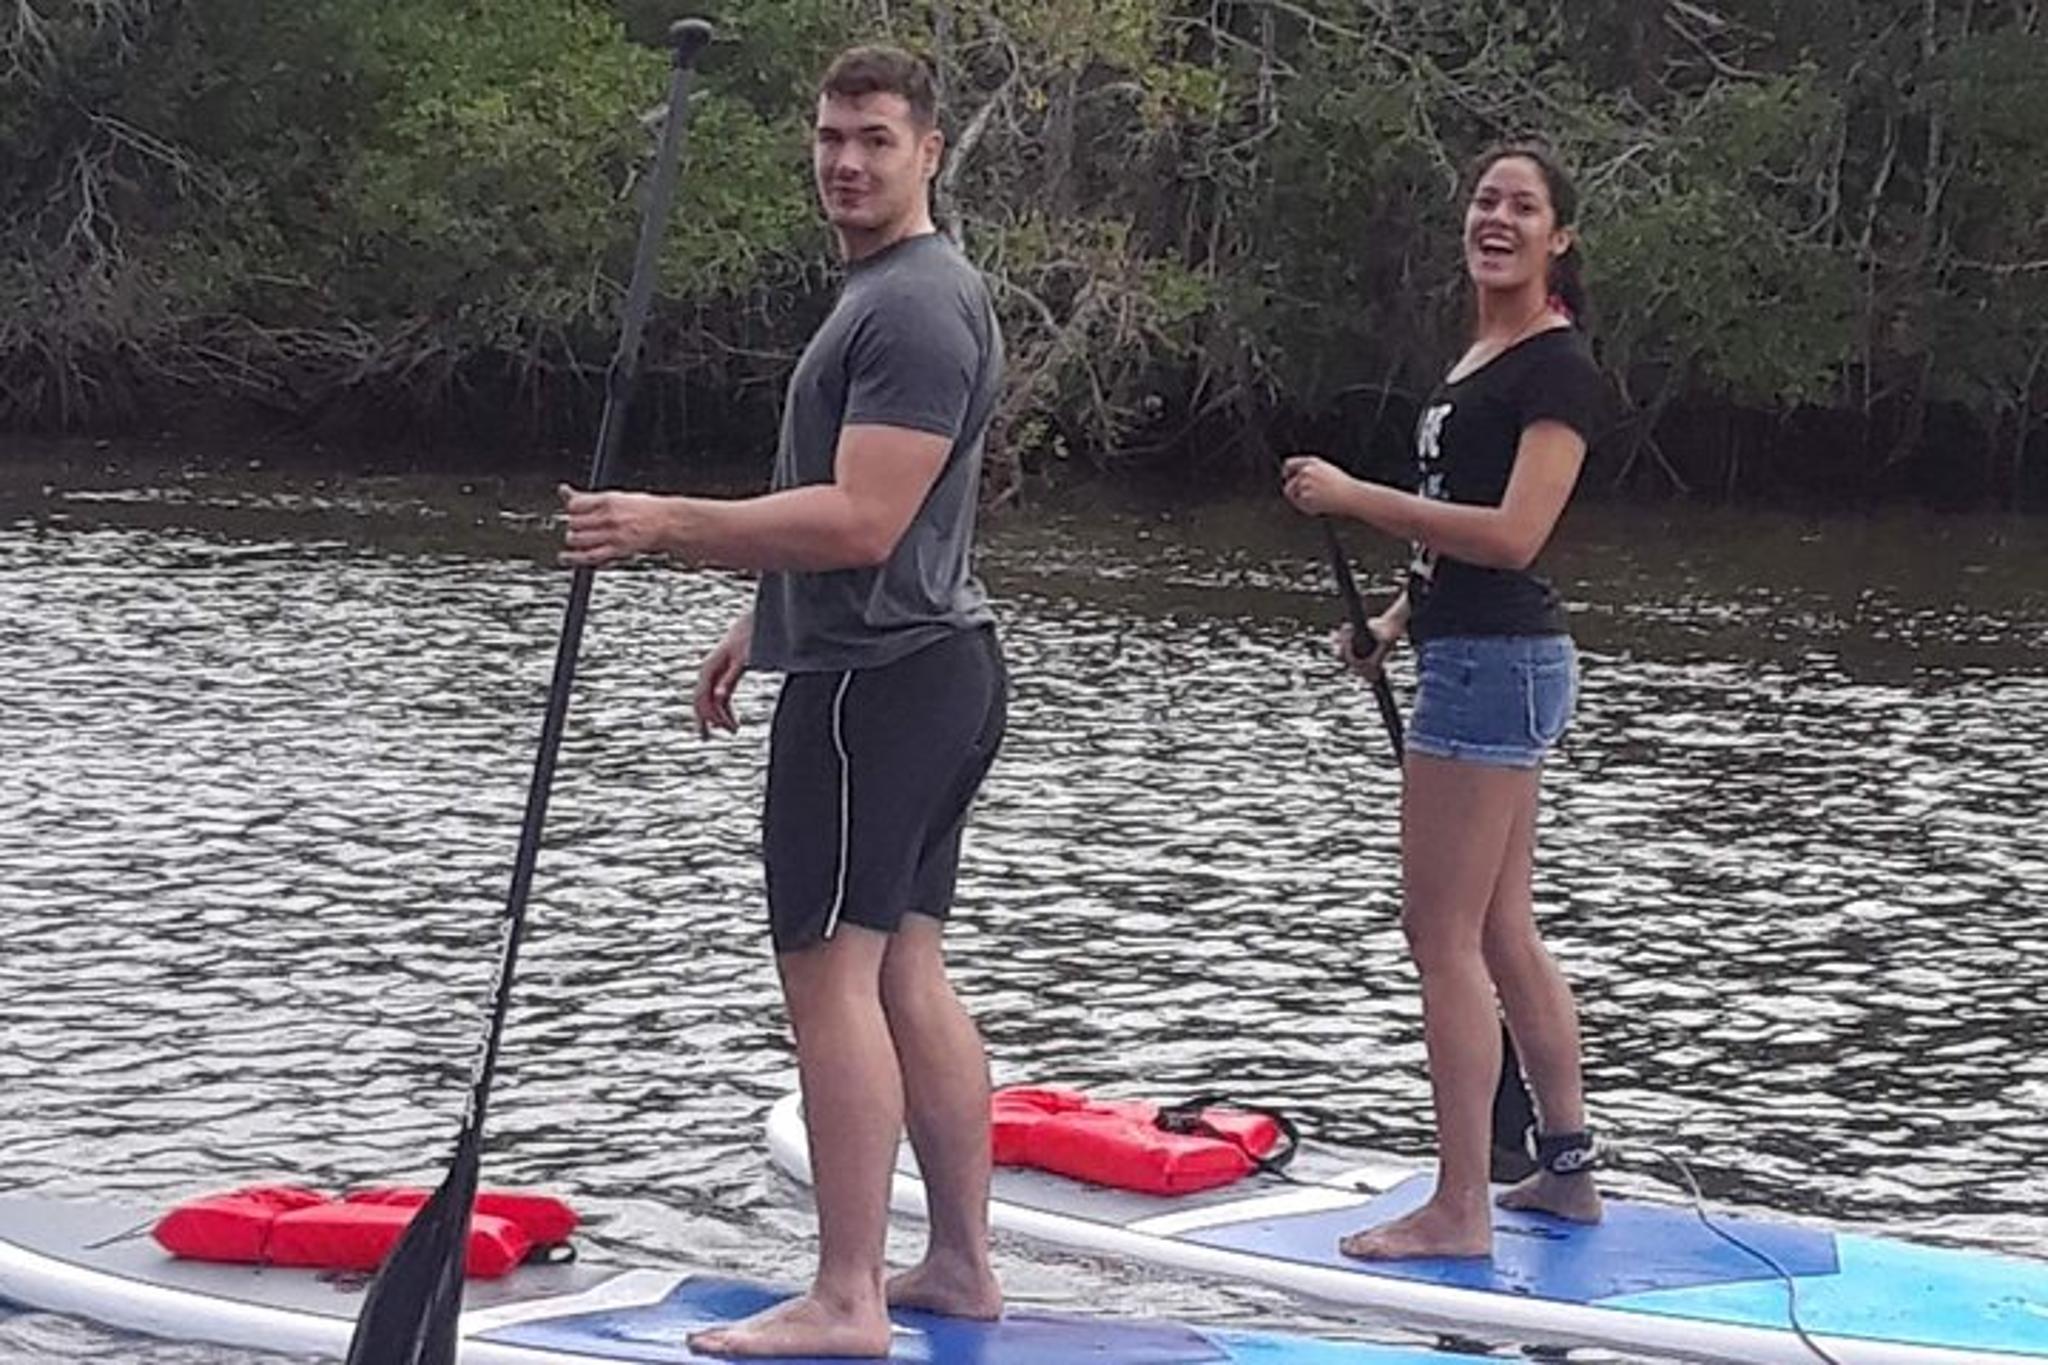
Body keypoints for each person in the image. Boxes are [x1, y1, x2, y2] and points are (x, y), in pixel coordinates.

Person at [559, 44, 1007, 1356]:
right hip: (916, 666)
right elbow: (888, 513)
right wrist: (766, 615)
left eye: (874, 138)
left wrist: (662, 524)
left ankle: (849, 1297)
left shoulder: (915, 306)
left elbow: (868, 520)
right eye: (829, 138)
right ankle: (962, 1269)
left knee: (831, 981)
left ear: (929, 150)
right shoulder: (892, 293)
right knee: (907, 971)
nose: (847, 163)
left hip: (880, 687)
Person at [1281, 141, 1609, 1261]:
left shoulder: (1555, 369)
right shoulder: (1479, 354)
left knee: (1439, 934)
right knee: (1501, 928)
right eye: (1484, 200)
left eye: (1523, 207)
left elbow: (1513, 537)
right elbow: (1452, 535)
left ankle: (1459, 1202)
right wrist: (1390, 623)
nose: (1498, 219)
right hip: (1467, 650)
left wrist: (1355, 496)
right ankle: (1563, 1175)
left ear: (1557, 238)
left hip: (1498, 668)